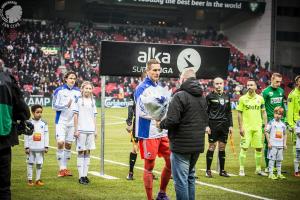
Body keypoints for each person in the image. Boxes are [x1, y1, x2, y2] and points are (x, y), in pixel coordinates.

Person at [157, 68, 209, 200]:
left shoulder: (179, 96)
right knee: (190, 177)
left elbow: (172, 120)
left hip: (181, 145)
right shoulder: (202, 97)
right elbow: (204, 120)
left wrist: (161, 124)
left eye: (180, 78)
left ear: (184, 79)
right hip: (197, 145)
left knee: (180, 181)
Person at [134, 59, 171, 200]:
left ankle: (162, 193)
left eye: (158, 70)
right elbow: (141, 110)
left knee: (171, 162)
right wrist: (156, 117)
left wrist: (164, 118)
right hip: (148, 131)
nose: (157, 72)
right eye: (154, 70)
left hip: (162, 131)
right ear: (147, 71)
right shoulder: (141, 88)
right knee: (149, 165)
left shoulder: (160, 87)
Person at [0, 59, 30, 200]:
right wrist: (23, 118)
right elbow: (22, 109)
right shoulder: (8, 80)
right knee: (4, 185)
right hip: (4, 138)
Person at [52, 71, 81, 177]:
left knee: (68, 145)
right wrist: (65, 105)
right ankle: (61, 168)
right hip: (61, 121)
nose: (72, 80)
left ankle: (65, 168)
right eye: (70, 78)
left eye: (74, 78)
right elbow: (53, 106)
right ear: (65, 79)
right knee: (60, 143)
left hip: (73, 122)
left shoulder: (78, 92)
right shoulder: (59, 91)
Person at [237, 79, 268, 176]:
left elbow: (264, 112)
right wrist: (241, 127)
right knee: (244, 148)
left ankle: (258, 169)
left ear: (255, 86)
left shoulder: (260, 99)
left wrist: (265, 125)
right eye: (248, 85)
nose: (249, 86)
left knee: (259, 148)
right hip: (246, 128)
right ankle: (241, 169)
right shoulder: (242, 99)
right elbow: (239, 114)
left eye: (251, 85)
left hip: (257, 127)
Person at [205, 77, 233, 178]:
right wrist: (206, 126)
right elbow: (205, 112)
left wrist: (231, 125)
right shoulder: (209, 96)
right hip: (213, 125)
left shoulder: (227, 96)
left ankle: (222, 170)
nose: (219, 85)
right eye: (217, 84)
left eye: (220, 83)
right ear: (214, 85)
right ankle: (208, 170)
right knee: (212, 147)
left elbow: (229, 112)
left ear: (223, 84)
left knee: (222, 147)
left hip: (224, 125)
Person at [73, 81, 97, 185]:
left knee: (88, 152)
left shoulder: (93, 101)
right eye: (86, 88)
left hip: (90, 130)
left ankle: (85, 175)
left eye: (90, 88)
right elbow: (75, 115)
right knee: (81, 151)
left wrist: (95, 130)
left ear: (92, 90)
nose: (88, 90)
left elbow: (94, 116)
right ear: (82, 89)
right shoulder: (78, 100)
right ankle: (80, 176)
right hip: (81, 130)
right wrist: (76, 129)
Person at [125, 71, 147, 180]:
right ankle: (130, 172)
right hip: (138, 122)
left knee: (149, 148)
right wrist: (129, 122)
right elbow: (130, 107)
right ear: (143, 78)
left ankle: (149, 172)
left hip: (150, 123)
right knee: (135, 147)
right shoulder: (136, 91)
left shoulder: (154, 90)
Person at [262, 73, 285, 172]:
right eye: (277, 81)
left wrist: (284, 120)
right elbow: (262, 109)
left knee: (278, 142)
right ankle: (268, 166)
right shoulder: (266, 92)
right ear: (271, 79)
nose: (279, 84)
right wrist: (264, 122)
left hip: (279, 122)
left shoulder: (281, 91)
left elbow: (282, 107)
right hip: (270, 122)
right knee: (269, 144)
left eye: (280, 82)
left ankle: (275, 165)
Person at [24, 104, 49, 186]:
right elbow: (26, 135)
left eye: (41, 112)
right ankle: (30, 180)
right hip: (31, 148)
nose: (39, 114)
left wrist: (46, 146)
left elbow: (46, 135)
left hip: (40, 148)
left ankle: (37, 180)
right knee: (30, 163)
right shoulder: (28, 123)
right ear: (33, 112)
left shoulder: (44, 123)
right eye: (37, 112)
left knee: (39, 164)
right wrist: (26, 147)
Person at [265, 106, 287, 180]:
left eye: (280, 114)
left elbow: (285, 134)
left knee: (279, 160)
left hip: (280, 145)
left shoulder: (283, 124)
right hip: (273, 145)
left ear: (282, 115)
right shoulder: (271, 122)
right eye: (276, 113)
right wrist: (269, 142)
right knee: (272, 160)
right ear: (274, 114)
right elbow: (266, 132)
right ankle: (271, 174)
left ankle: (279, 174)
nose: (278, 115)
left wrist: (284, 144)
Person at [287, 75, 300, 177]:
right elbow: (290, 110)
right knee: (297, 146)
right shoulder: (293, 94)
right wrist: (291, 125)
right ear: (297, 83)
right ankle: (297, 169)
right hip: (297, 124)